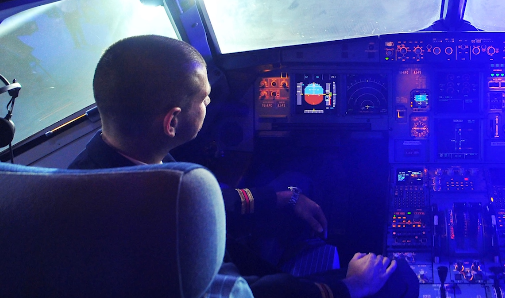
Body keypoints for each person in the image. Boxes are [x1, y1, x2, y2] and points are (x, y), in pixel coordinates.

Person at [69, 34, 418, 298]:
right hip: (232, 284)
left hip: (224, 265)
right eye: (204, 98)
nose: (210, 101)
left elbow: (214, 201)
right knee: (399, 279)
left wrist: (285, 198)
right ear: (172, 122)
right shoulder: (147, 224)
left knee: (299, 180)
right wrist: (350, 286)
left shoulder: (106, 167)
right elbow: (238, 293)